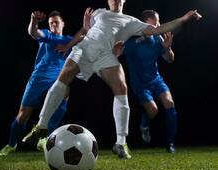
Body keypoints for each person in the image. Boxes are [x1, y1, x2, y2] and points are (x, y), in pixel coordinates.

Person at [22, 0, 202, 159]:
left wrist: (184, 18)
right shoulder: (99, 12)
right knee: (64, 77)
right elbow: (85, 30)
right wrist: (70, 45)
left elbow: (160, 29)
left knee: (121, 87)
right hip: (84, 49)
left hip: (106, 55)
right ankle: (41, 127)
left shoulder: (131, 21)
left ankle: (121, 143)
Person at [0, 10, 73, 156]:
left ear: (63, 24)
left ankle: (43, 137)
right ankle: (11, 144)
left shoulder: (69, 41)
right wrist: (34, 20)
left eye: (56, 22)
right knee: (23, 115)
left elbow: (84, 38)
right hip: (37, 79)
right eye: (51, 23)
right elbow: (33, 32)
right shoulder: (47, 35)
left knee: (65, 91)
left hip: (57, 80)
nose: (53, 25)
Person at [122, 10, 177, 153]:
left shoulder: (158, 39)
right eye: (156, 22)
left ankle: (170, 143)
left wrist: (168, 48)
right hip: (140, 84)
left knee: (170, 104)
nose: (159, 25)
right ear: (146, 23)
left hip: (156, 79)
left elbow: (170, 60)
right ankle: (144, 124)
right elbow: (117, 52)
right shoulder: (132, 39)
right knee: (153, 111)